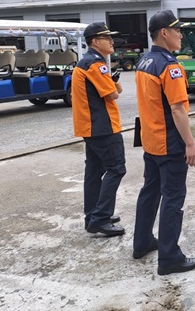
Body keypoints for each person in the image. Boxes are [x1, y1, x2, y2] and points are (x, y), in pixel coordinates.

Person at [133, 9, 195, 276]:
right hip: (170, 144)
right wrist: (190, 144)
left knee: (150, 192)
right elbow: (177, 109)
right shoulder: (169, 66)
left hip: (151, 141)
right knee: (173, 198)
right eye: (177, 30)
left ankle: (142, 242)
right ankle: (170, 258)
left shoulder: (144, 61)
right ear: (164, 33)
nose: (180, 35)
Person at [72, 22, 126, 237]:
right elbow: (113, 94)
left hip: (91, 126)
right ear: (95, 41)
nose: (112, 41)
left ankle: (93, 216)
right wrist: (114, 86)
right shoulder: (95, 63)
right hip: (102, 126)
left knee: (94, 172)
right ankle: (101, 218)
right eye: (107, 38)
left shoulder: (87, 62)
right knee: (116, 168)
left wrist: (113, 84)